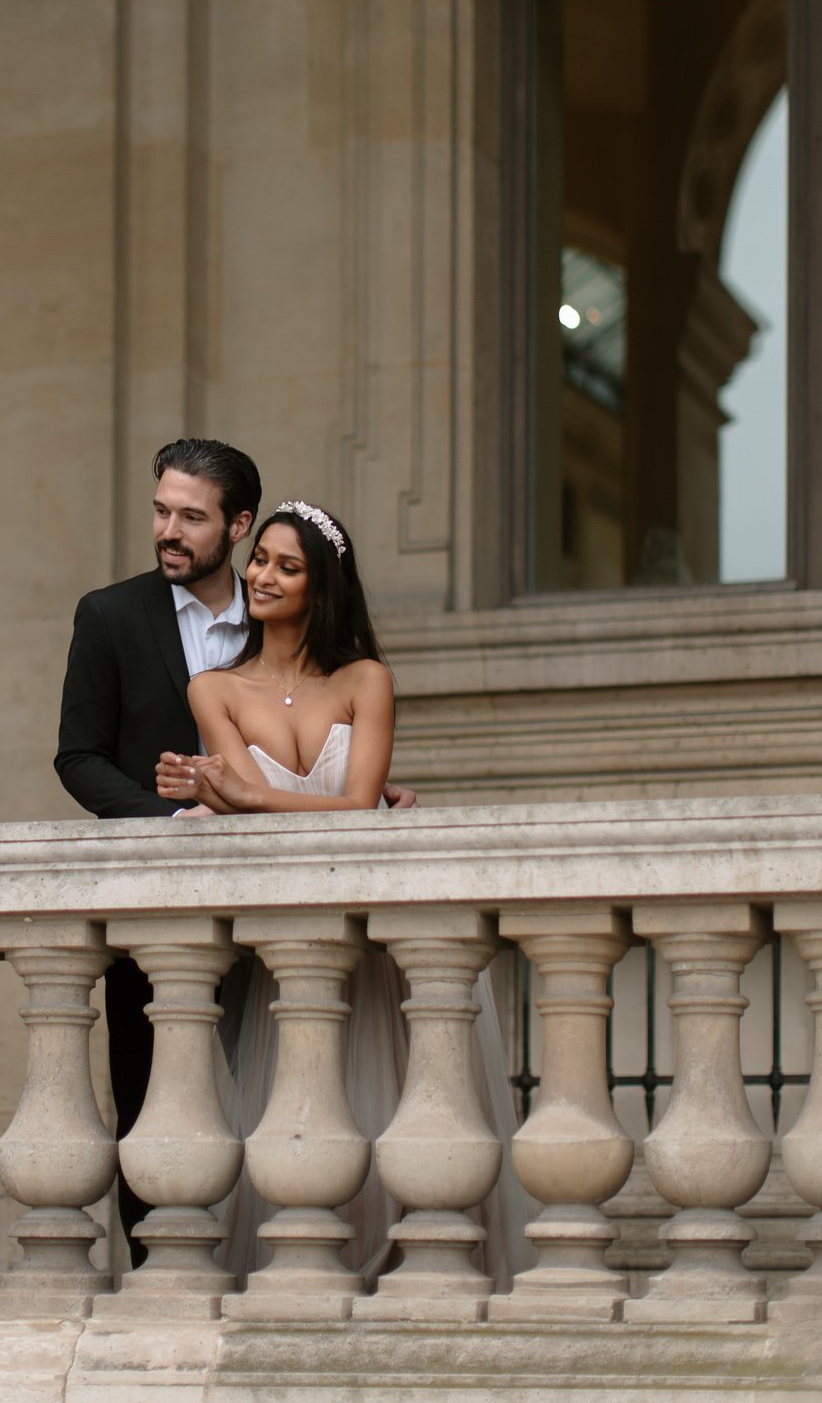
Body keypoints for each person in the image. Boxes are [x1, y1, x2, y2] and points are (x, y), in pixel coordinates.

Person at [154, 499, 528, 1284]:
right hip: (295, 942)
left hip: (381, 938)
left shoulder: (366, 680)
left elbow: (354, 812)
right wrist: (253, 805)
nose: (261, 576)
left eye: (286, 567)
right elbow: (297, 822)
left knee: (404, 1113)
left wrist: (251, 798)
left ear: (320, 591)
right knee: (302, 1121)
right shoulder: (211, 689)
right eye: (259, 559)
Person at [55, 437, 263, 1258]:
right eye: (160, 510)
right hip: (148, 902)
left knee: (280, 1087)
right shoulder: (107, 615)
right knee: (146, 1097)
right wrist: (170, 824)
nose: (168, 530)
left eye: (191, 516)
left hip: (268, 895)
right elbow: (79, 759)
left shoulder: (281, 609)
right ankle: (153, 1273)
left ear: (238, 525)